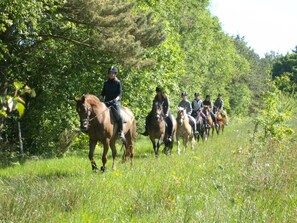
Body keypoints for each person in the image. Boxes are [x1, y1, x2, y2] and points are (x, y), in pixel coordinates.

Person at [99, 66, 125, 140]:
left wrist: (115, 100)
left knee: (119, 116)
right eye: (110, 73)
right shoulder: (106, 83)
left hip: (115, 103)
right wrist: (99, 99)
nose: (111, 75)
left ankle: (121, 131)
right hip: (106, 102)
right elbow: (103, 93)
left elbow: (119, 94)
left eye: (113, 73)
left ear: (115, 74)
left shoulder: (118, 82)